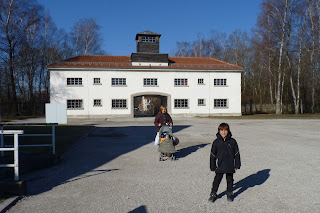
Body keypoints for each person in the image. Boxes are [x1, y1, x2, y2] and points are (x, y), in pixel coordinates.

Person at [209, 123, 241, 202]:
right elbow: (212, 155)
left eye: (225, 130)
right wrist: (212, 165)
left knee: (230, 180)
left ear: (228, 131)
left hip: (230, 165)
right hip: (219, 165)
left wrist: (237, 164)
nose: (224, 132)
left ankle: (229, 193)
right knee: (217, 180)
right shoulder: (216, 142)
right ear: (219, 131)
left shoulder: (232, 141)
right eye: (222, 130)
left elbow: (237, 153)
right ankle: (213, 194)